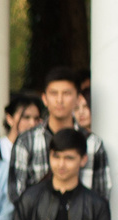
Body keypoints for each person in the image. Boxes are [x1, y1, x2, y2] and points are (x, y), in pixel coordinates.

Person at [6, 67, 108, 203]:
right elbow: (16, 195)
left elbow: (101, 197)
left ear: (78, 98)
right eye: (54, 93)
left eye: (66, 93)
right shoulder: (26, 142)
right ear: (44, 98)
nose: (59, 100)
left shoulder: (92, 144)